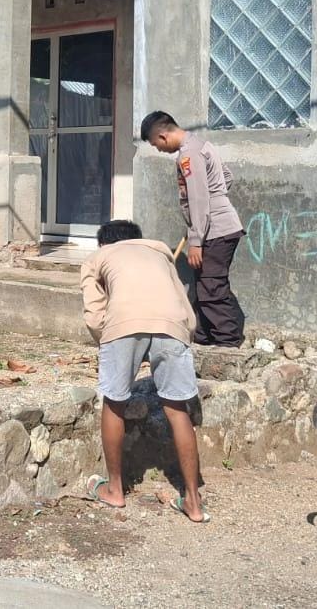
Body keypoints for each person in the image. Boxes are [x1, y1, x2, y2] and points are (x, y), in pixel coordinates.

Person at [79, 219, 208, 523]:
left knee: (114, 401)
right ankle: (193, 502)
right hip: (173, 324)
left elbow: (94, 314)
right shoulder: (160, 254)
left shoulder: (98, 257)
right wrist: (182, 334)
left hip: (123, 322)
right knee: (177, 408)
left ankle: (114, 489)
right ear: (138, 238)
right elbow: (185, 308)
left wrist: (109, 339)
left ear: (104, 243)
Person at [139, 110, 246, 346]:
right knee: (205, 284)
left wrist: (196, 239)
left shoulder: (189, 155)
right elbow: (226, 177)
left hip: (216, 231)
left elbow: (198, 198)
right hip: (216, 226)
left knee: (211, 286)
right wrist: (214, 200)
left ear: (163, 135)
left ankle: (228, 343)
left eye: (156, 145)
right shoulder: (201, 145)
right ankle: (203, 337)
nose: (159, 149)